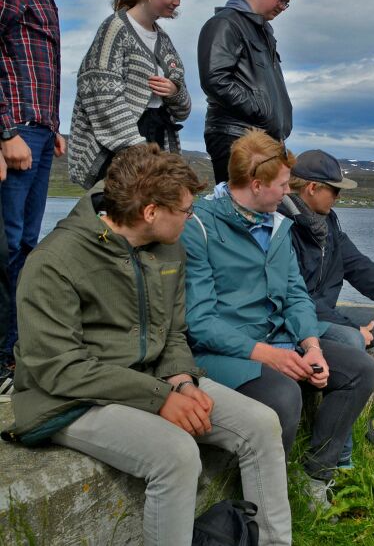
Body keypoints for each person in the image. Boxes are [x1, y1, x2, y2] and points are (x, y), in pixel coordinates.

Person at [0, 144, 292, 545]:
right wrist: (159, 397)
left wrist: (183, 380)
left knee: (261, 425)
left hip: (152, 380)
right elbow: (59, 369)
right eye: (186, 211)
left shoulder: (170, 245)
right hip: (69, 399)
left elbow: (173, 331)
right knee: (175, 454)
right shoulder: (54, 262)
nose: (191, 218)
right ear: (151, 212)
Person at [181, 129, 374, 508]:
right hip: (223, 353)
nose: (289, 193)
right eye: (284, 185)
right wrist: (268, 356)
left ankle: (315, 476)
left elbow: (295, 294)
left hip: (280, 340)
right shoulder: (199, 226)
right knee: (284, 395)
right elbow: (200, 322)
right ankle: (264, 500)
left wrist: (312, 345)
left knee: (360, 370)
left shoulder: (277, 224)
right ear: (256, 184)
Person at [280, 149, 374, 470]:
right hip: (298, 322)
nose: (339, 197)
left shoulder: (327, 223)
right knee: (351, 341)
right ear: (311, 188)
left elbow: (357, 265)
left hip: (325, 314)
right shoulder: (285, 226)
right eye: (335, 190)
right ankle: (340, 457)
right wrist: (351, 327)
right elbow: (296, 298)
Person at [0, 0, 84, 373]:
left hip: (38, 131)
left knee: (27, 246)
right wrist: (7, 128)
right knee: (8, 245)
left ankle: (16, 352)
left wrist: (50, 124)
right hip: (14, 134)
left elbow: (33, 62)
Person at [69, 0, 192, 189]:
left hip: (156, 136)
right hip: (117, 144)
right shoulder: (115, 29)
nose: (177, 2)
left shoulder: (164, 40)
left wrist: (174, 91)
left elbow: (183, 109)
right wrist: (136, 147)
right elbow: (101, 95)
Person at [198, 0, 301, 183]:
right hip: (236, 138)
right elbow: (215, 79)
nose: (282, 7)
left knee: (259, 213)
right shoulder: (226, 23)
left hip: (260, 140)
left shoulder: (263, 33)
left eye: (286, 3)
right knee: (240, 211)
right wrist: (262, 113)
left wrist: (277, 129)